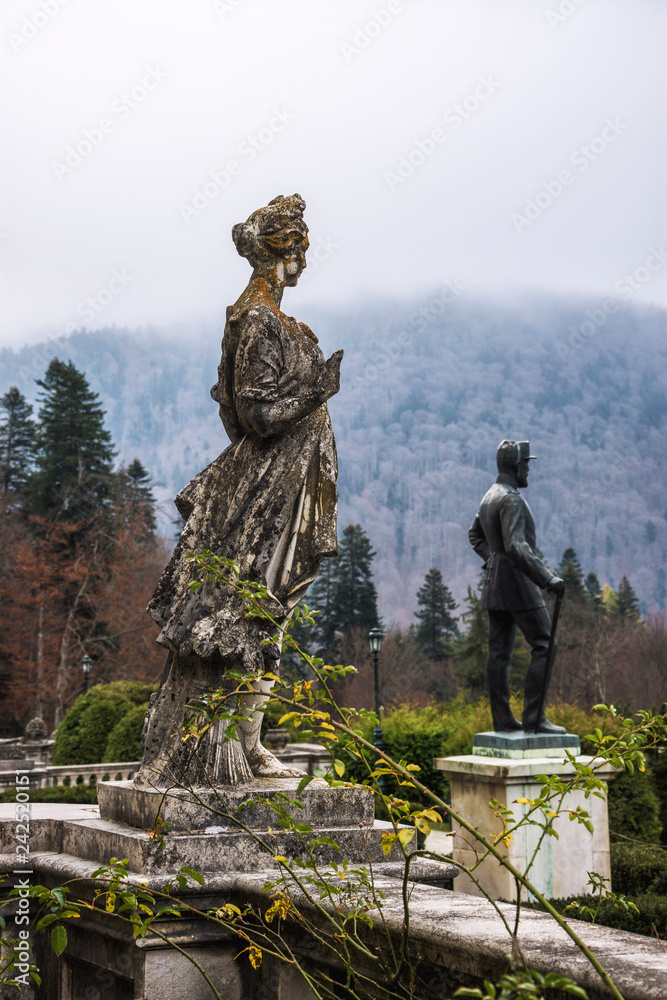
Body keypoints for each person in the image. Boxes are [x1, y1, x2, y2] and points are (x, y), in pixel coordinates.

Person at [135, 194, 344, 787]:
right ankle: (238, 747)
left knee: (268, 612)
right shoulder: (257, 319)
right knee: (258, 612)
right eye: (300, 244)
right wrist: (317, 391)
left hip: (285, 483)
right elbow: (252, 414)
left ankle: (247, 743)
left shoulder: (270, 319)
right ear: (283, 251)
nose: (306, 256)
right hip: (267, 492)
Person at [468, 440, 566, 734]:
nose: (528, 471)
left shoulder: (489, 496)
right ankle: (534, 719)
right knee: (545, 645)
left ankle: (503, 720)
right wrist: (547, 578)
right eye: (526, 465)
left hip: (495, 584)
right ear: (516, 466)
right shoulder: (510, 499)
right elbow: (516, 545)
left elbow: (475, 536)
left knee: (498, 653)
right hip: (516, 582)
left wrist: (492, 561)